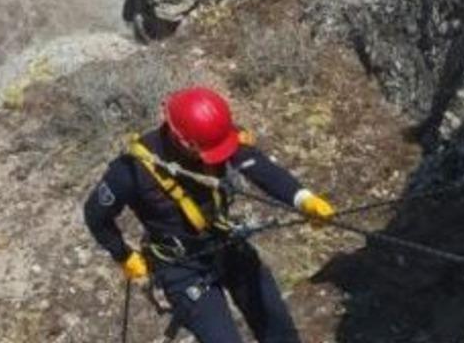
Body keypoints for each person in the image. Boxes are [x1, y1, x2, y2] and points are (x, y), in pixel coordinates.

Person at [84, 86, 335, 343]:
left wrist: (302, 199)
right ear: (181, 139)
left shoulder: (215, 135)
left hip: (226, 241)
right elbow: (96, 215)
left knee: (278, 328)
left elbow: (256, 165)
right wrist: (123, 255)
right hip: (181, 266)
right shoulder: (130, 171)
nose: (213, 158)